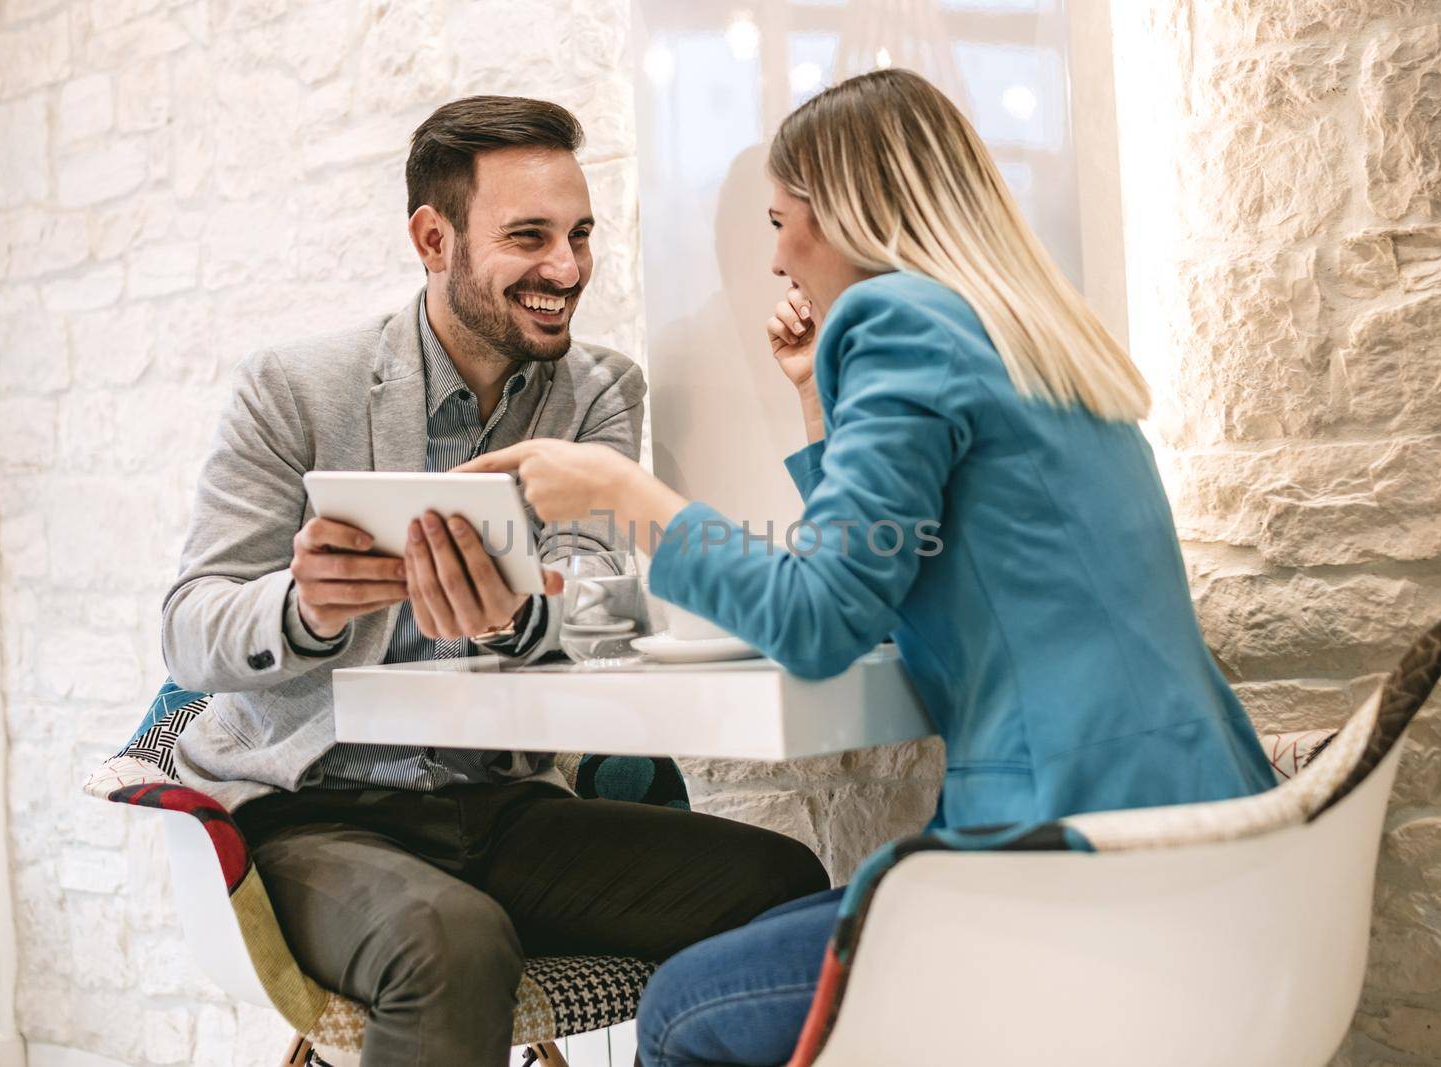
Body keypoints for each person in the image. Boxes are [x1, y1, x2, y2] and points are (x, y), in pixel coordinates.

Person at [460, 70, 1277, 1066]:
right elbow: (894, 571)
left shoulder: (891, 320)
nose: (774, 256)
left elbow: (818, 621)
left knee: (680, 1003)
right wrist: (816, 406)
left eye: (781, 218)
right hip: (1197, 817)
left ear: (847, 212)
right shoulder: (1023, 328)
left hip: (1064, 854)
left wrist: (620, 494)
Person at [162, 95, 827, 1066]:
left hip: (505, 805)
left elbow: (599, 606)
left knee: (782, 885)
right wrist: (304, 609)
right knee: (451, 940)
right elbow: (190, 627)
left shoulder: (597, 390)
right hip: (315, 812)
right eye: (529, 236)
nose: (566, 268)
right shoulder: (296, 388)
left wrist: (524, 614)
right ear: (434, 239)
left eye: (580, 235)